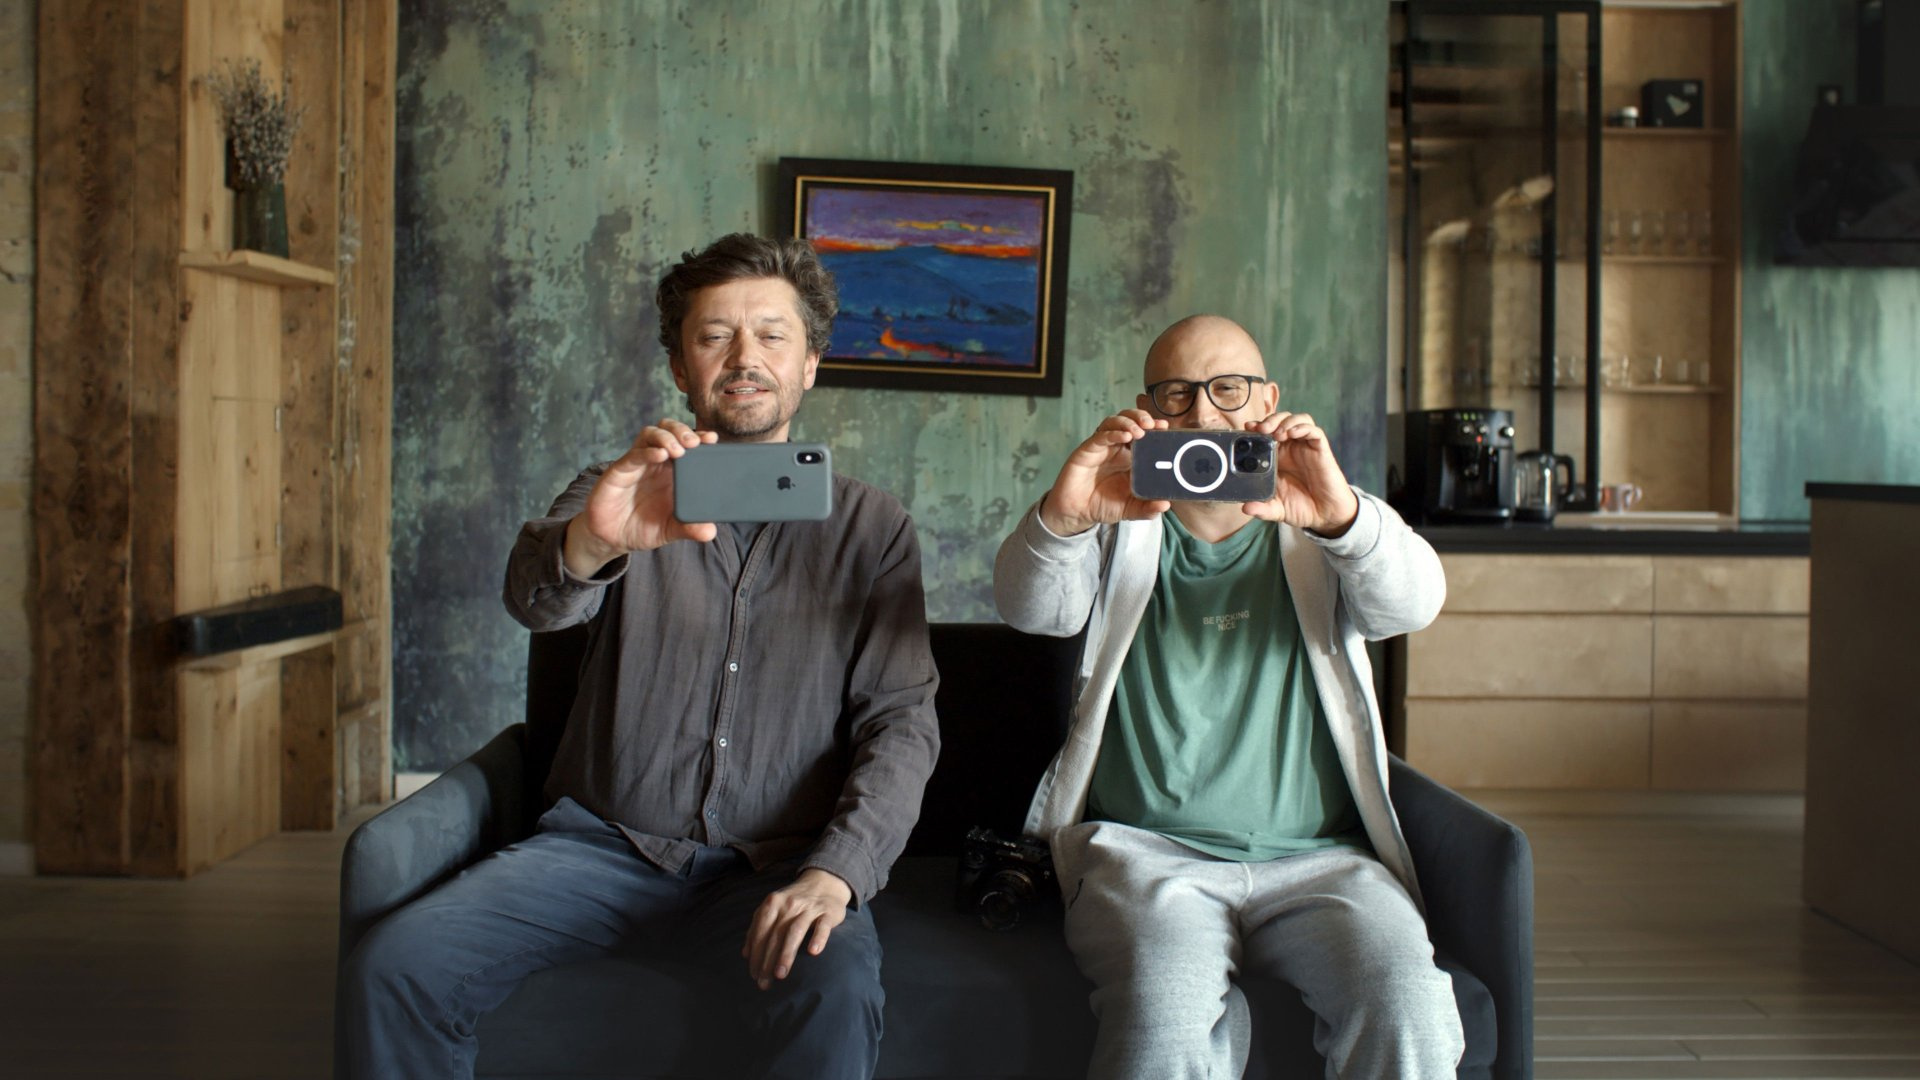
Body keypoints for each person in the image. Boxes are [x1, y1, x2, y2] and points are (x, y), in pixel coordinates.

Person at [340, 233, 941, 1080]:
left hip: (777, 866)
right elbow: (535, 603)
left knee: (833, 991)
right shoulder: (617, 486)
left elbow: (902, 724)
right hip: (596, 851)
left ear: (809, 364)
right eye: (714, 336)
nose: (745, 357)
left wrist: (835, 876)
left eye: (772, 336)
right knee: (394, 966)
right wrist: (596, 541)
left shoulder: (874, 529)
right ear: (680, 366)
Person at [993, 315, 1463, 1079]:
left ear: (1268, 402)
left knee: (1410, 1005)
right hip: (1147, 860)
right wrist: (1064, 517)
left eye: (1228, 389)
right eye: (1177, 393)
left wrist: (1342, 518)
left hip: (1323, 862)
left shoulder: (1322, 517)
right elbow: (1032, 611)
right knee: (1160, 1022)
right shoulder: (1117, 520)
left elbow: (1413, 605)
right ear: (1148, 410)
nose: (1204, 413)